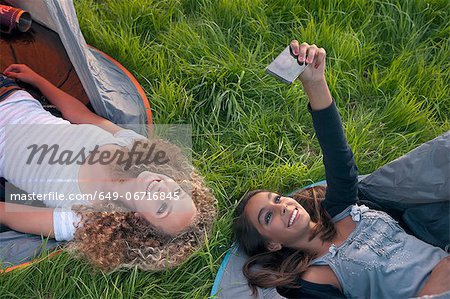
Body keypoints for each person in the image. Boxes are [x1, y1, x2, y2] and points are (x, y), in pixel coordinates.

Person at [233, 40, 450, 298]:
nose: (282, 206)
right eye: (268, 217)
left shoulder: (342, 207)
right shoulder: (311, 279)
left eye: (278, 198)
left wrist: (314, 82)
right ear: (272, 243)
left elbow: (337, 152)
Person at [0, 65, 216, 270]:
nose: (164, 191)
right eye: (177, 191)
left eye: (162, 207)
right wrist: (39, 81)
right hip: (13, 98)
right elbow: (81, 115)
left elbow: (11, 214)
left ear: (140, 221)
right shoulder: (133, 147)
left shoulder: (83, 219)